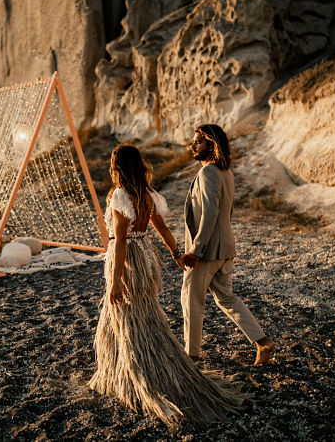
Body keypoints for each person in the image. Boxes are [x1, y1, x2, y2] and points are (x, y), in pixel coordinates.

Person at [89, 144, 248, 425]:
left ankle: (134, 374)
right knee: (139, 316)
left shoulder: (119, 195)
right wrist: (175, 253)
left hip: (128, 263)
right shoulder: (146, 194)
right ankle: (120, 370)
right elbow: (160, 227)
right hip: (145, 259)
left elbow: (121, 240)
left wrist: (115, 281)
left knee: (126, 315)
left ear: (117, 167)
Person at [180, 124, 275, 365]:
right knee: (227, 299)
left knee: (192, 299)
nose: (193, 145)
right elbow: (226, 212)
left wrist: (196, 250)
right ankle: (263, 342)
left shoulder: (208, 173)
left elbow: (210, 213)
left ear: (212, 145)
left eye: (199, 142)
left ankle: (191, 356)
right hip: (225, 249)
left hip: (208, 251)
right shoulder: (226, 173)